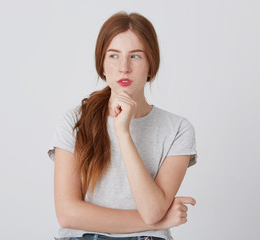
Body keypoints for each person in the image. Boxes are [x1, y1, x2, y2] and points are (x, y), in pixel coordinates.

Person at [47, 11, 198, 240]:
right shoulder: (74, 122)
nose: (124, 67)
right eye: (113, 56)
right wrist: (161, 221)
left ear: (150, 65)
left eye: (135, 56)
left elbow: (152, 210)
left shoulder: (177, 129)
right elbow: (68, 214)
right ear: (102, 64)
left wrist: (123, 133)